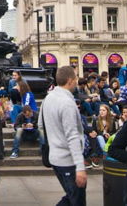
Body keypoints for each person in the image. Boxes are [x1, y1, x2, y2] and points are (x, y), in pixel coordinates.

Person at [39, 66, 87, 206]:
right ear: (70, 80)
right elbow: (72, 136)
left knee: (72, 197)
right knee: (77, 200)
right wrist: (79, 167)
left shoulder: (48, 98)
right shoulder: (67, 103)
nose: (77, 81)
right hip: (68, 161)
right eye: (76, 78)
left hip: (55, 158)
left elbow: (40, 125)